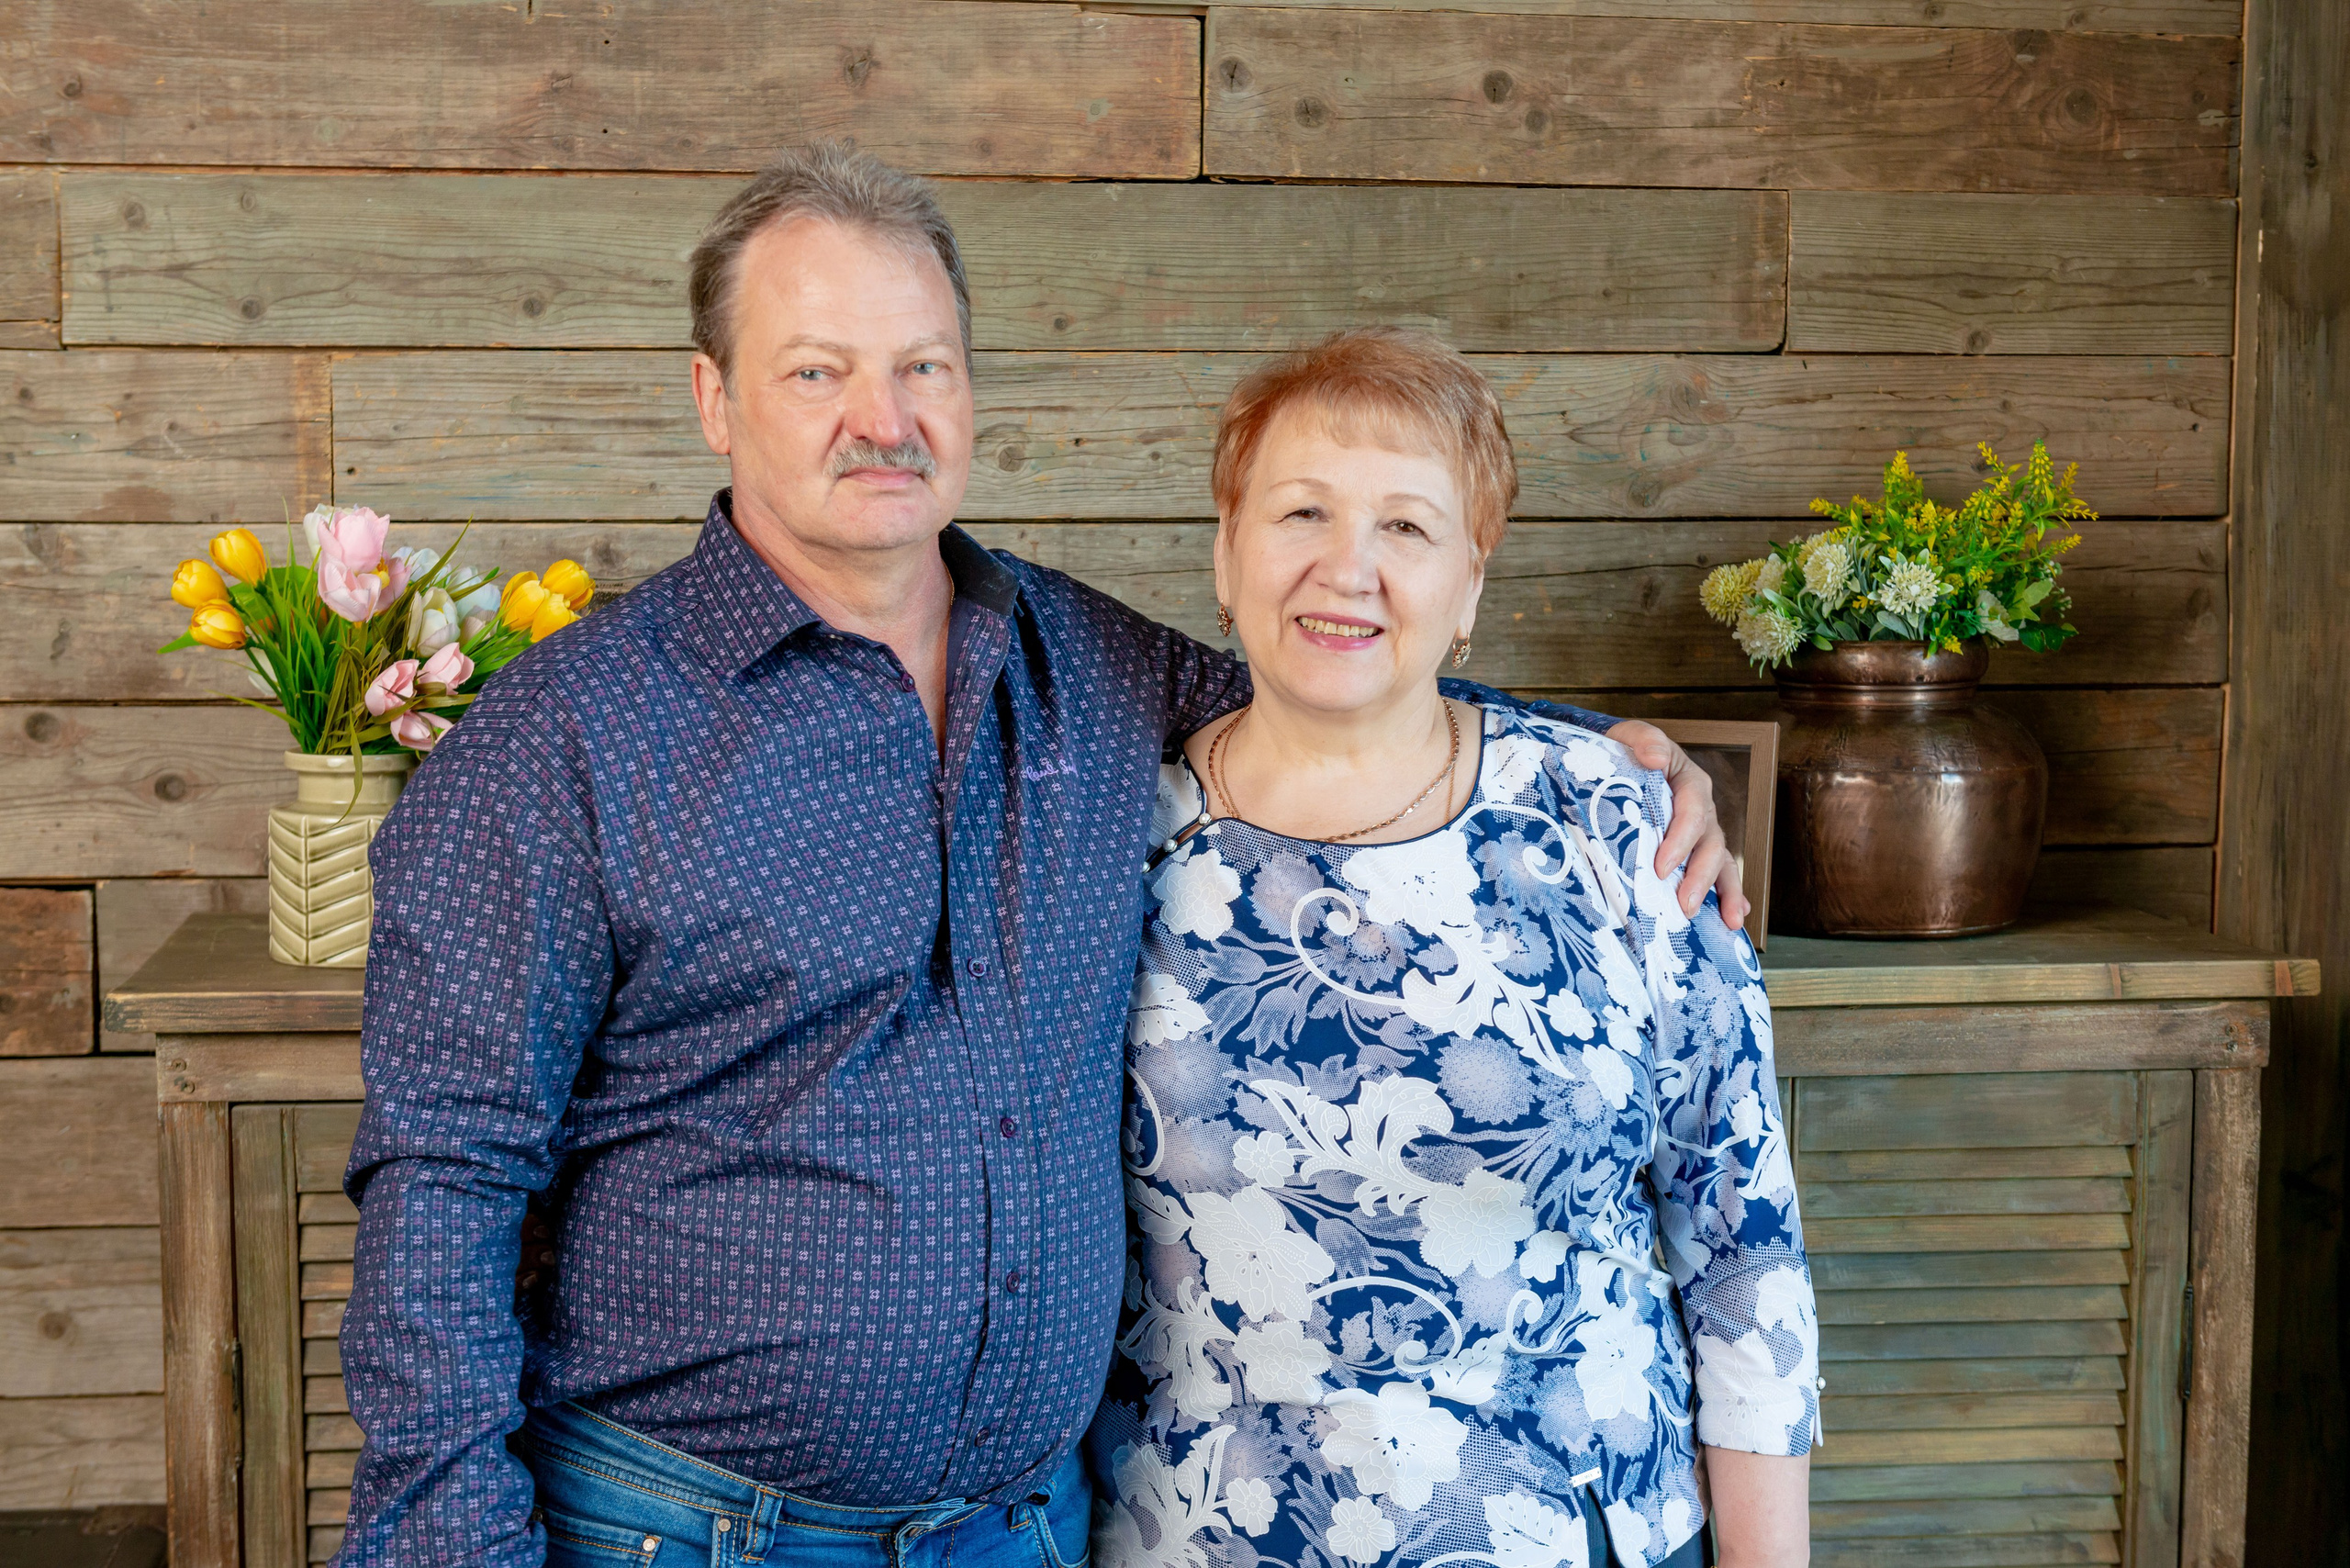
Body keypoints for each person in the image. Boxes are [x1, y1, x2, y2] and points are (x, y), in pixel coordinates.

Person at [331, 143, 1746, 1567]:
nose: (880, 420)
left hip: (1030, 1533)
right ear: (714, 399)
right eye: (817, 371)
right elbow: (441, 1182)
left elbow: (1338, 686)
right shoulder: (558, 742)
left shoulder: (1086, 664)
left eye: (923, 368)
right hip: (687, 1534)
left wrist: (1599, 752)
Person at [1092, 330, 1816, 1568]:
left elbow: (1743, 1247)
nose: (1348, 567)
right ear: (1225, 550)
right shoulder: (1107, 849)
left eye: (1409, 529)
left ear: (1472, 585)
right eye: (1302, 511)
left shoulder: (1614, 820)